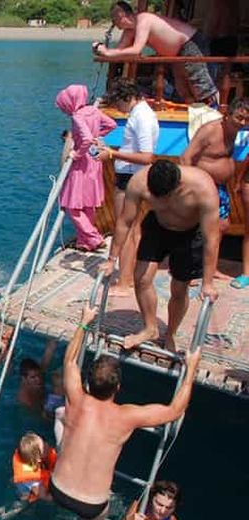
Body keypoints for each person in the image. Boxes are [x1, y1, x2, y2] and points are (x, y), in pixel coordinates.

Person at [50, 305, 200, 520]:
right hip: (91, 504)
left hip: (58, 488)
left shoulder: (75, 398)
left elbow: (69, 360)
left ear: (88, 382)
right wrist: (191, 369)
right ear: (118, 387)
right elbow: (174, 410)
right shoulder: (126, 416)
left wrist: (84, 322)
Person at [102, 160, 220, 351]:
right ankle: (150, 328)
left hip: (189, 234)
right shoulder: (139, 182)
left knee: (179, 288)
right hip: (157, 227)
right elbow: (125, 221)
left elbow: (212, 239)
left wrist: (207, 282)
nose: (162, 201)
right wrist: (110, 260)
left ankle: (170, 334)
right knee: (141, 277)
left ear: (178, 186)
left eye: (165, 197)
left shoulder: (202, 188)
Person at [95, 78, 159, 296]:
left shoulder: (141, 116)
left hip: (130, 178)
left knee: (127, 229)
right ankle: (129, 277)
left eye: (118, 104)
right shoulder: (142, 113)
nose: (118, 110)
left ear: (126, 98)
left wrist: (112, 154)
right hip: (131, 175)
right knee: (133, 229)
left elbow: (146, 155)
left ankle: (123, 282)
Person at [94, 2, 218, 105]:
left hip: (189, 43)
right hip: (176, 53)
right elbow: (119, 51)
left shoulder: (144, 20)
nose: (113, 22)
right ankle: (195, 112)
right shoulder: (129, 31)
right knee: (182, 88)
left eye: (113, 17)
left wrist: (108, 53)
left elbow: (136, 50)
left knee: (201, 85)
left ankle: (215, 110)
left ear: (121, 14)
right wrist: (104, 52)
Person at [181, 98, 249, 282]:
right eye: (239, 118)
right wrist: (189, 185)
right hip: (203, 185)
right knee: (197, 227)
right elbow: (186, 157)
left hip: (220, 187)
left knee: (222, 226)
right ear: (226, 115)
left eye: (246, 120)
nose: (242, 122)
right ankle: (190, 269)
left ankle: (210, 268)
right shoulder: (210, 130)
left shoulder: (234, 131)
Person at [55, 84, 117, 251]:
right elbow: (111, 125)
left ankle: (93, 237)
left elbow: (87, 139)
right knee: (88, 203)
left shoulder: (77, 116)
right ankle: (85, 241)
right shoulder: (93, 110)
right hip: (95, 160)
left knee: (71, 205)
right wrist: (98, 136)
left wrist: (77, 154)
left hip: (82, 163)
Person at [0, 432, 57, 520]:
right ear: (38, 459)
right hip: (25, 494)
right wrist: (55, 498)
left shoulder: (27, 459)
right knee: (19, 507)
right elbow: (43, 495)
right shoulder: (33, 481)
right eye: (44, 446)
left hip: (18, 483)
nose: (47, 444)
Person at [18, 339, 57, 412]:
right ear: (24, 379)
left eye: (38, 375)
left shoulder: (40, 374)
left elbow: (48, 353)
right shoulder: (25, 398)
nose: (38, 379)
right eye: (33, 377)